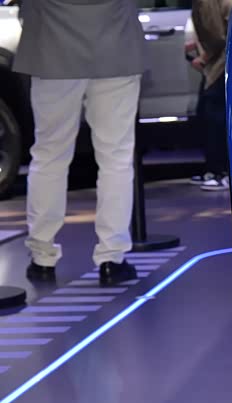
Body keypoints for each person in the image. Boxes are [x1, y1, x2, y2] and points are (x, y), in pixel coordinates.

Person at [13, 0, 145, 285]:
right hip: (116, 46)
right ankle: (111, 257)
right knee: (116, 158)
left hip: (51, 46)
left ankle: (42, 255)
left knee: (49, 154)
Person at [189, 0, 232, 192]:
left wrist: (204, 56)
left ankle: (220, 173)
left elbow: (216, 37)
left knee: (214, 118)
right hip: (222, 61)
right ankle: (213, 170)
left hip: (221, 63)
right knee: (208, 115)